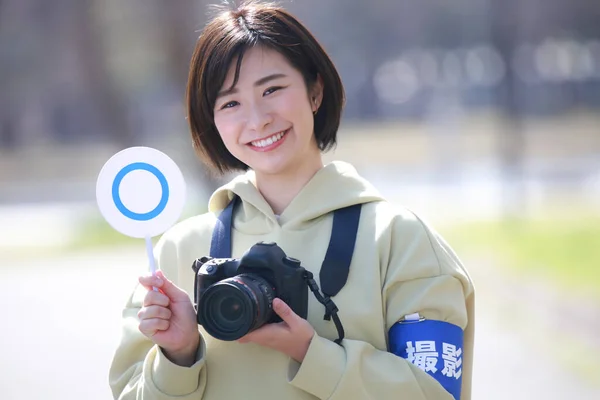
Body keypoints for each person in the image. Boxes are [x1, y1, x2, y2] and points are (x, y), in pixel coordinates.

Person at [108, 1, 475, 399]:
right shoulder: (179, 252)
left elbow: (437, 394)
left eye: (272, 89)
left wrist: (312, 354)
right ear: (211, 120)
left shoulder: (399, 241)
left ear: (315, 92)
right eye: (230, 103)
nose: (258, 119)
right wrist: (177, 355)